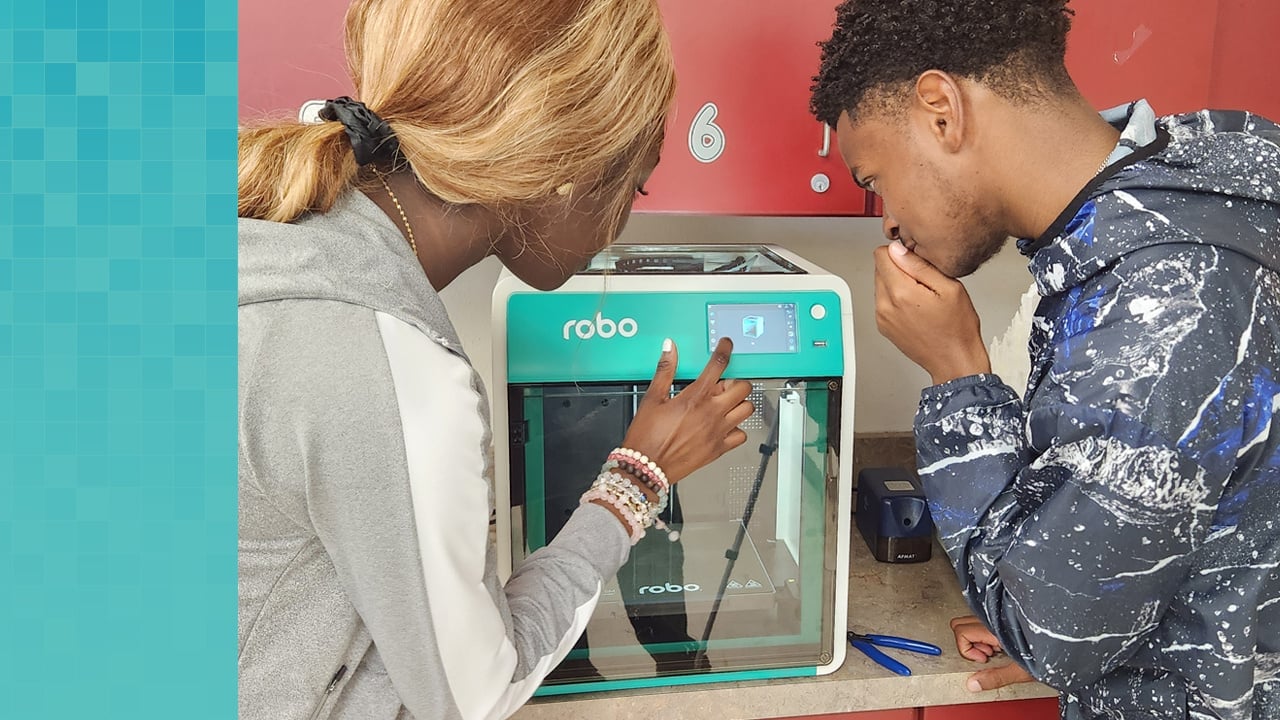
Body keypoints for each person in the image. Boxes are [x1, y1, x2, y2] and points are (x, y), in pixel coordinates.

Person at [236, 1, 756, 718]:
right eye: (635, 185)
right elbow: (473, 692)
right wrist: (640, 478)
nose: (622, 223)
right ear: (566, 172)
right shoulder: (392, 366)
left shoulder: (274, 241)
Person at [811, 1, 1279, 719]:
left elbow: (1054, 637)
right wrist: (1051, 589)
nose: (889, 219)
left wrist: (957, 375)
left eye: (873, 179)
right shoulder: (1212, 197)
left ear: (941, 111)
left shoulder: (1160, 305)